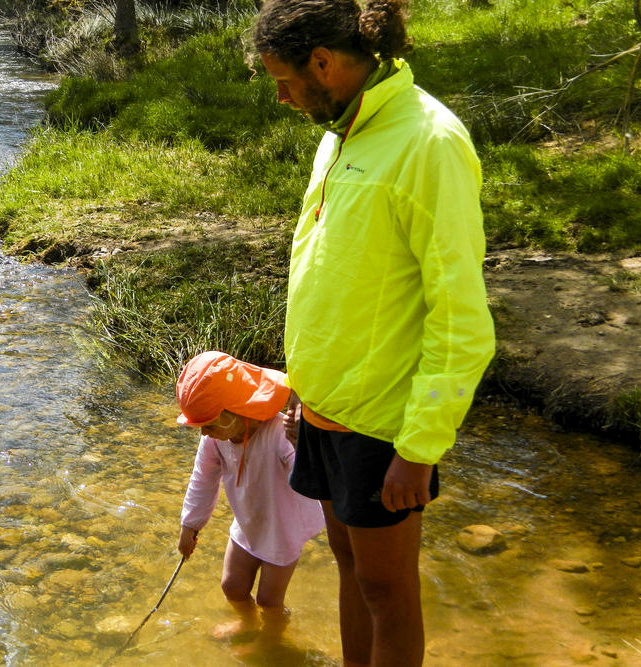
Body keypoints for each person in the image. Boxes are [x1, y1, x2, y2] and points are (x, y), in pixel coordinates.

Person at [252, 1, 496, 666]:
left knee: (388, 591)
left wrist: (420, 446)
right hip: (328, 413)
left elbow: (461, 316)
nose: (280, 97)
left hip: (383, 422)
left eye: (283, 80)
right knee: (352, 572)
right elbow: (334, 279)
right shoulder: (342, 134)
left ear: (323, 64)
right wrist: (303, 392)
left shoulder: (429, 143)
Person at [175, 350, 324, 640]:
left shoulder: (278, 433)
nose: (204, 433)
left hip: (284, 528)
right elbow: (202, 480)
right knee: (232, 586)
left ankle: (274, 640)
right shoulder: (214, 441)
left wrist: (303, 440)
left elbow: (310, 475)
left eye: (210, 424)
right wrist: (189, 525)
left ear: (237, 411)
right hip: (248, 521)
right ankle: (247, 624)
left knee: (269, 600)